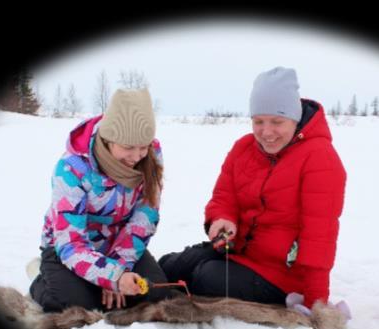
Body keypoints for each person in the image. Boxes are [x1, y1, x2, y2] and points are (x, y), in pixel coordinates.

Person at [158, 67, 347, 312]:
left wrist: (315, 302)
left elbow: (320, 236)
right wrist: (221, 220)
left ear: (295, 117)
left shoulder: (320, 158)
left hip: (281, 275)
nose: (266, 132)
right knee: (171, 265)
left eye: (277, 122)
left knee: (206, 277)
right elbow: (223, 197)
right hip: (238, 254)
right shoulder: (244, 148)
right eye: (258, 121)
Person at [30, 88, 172, 313]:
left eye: (143, 147)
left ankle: (93, 282)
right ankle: (42, 280)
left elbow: (145, 217)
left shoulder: (151, 155)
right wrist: (113, 277)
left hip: (119, 244)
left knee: (154, 295)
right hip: (67, 247)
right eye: (128, 147)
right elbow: (70, 242)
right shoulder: (72, 168)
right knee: (78, 305)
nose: (136, 157)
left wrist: (119, 269)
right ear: (108, 139)